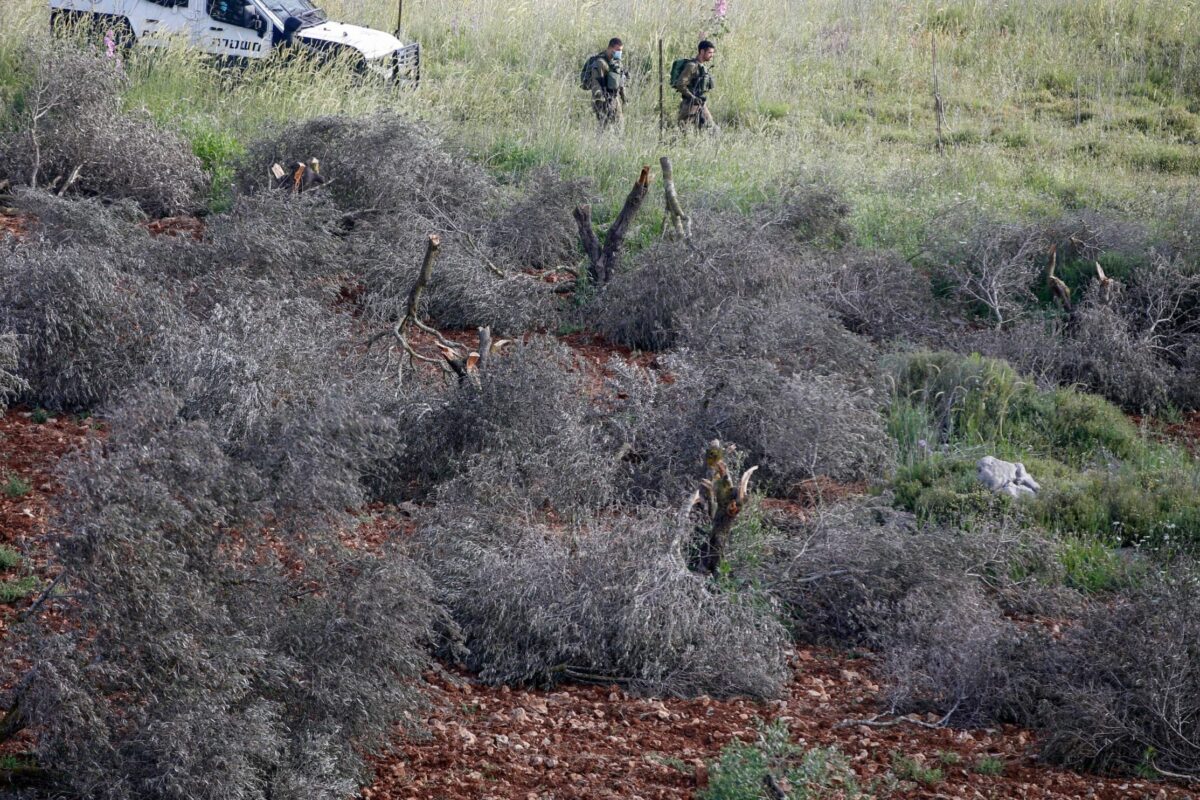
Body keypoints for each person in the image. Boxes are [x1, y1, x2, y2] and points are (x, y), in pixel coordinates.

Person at [582, 38, 627, 131]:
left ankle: (617, 145)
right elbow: (596, 84)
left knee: (620, 127)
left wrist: (624, 99)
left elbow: (620, 82)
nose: (620, 52)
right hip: (602, 100)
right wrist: (601, 101)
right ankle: (599, 145)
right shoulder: (599, 62)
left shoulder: (616, 62)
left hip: (614, 98)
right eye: (618, 50)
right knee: (603, 127)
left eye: (621, 50)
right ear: (610, 48)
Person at [674, 40, 716, 132]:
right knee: (682, 133)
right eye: (709, 52)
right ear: (702, 52)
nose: (712, 55)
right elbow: (680, 84)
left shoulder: (701, 66)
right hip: (689, 105)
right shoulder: (691, 66)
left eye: (712, 53)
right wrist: (692, 97)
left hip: (699, 103)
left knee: (712, 129)